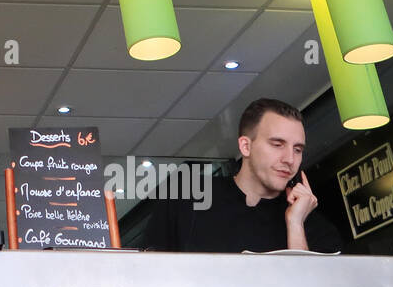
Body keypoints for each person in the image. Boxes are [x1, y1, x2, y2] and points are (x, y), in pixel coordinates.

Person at [142, 98, 342, 252]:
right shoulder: (188, 198)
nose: (290, 159)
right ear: (246, 146)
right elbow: (149, 275)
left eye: (298, 149)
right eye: (277, 144)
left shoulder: (313, 226)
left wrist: (296, 225)